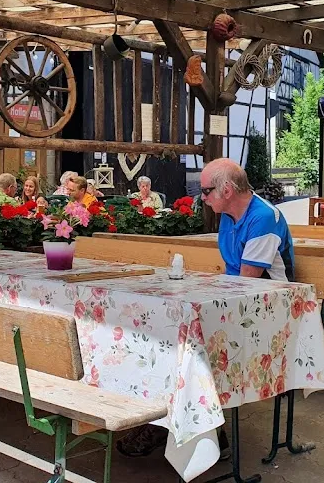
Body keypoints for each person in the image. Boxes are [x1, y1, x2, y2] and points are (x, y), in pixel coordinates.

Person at [118, 158, 294, 458]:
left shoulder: (263, 217)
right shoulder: (228, 213)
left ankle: (177, 427)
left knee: (185, 345)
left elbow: (246, 286)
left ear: (227, 190)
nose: (203, 197)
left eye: (207, 190)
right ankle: (201, 428)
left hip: (271, 312)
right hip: (240, 304)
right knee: (165, 336)